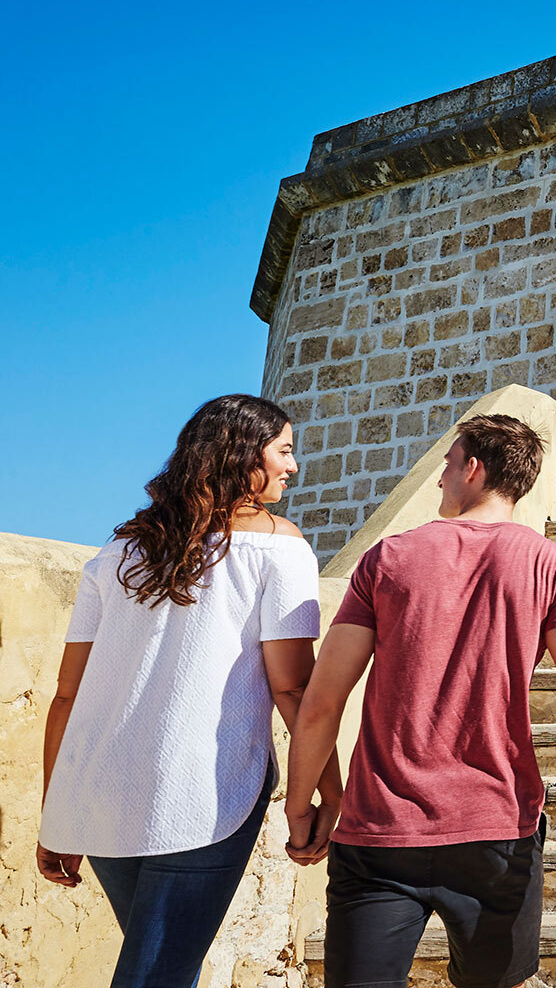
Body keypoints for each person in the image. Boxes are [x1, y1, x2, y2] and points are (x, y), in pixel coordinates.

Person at [284, 413, 556, 988]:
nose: (439, 478)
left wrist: (303, 808)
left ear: (473, 468)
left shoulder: (386, 559)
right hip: (498, 829)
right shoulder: (553, 565)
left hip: (380, 831)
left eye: (446, 464)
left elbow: (320, 703)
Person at [38, 394, 334, 988]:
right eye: (284, 451)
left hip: (102, 788)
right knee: (159, 973)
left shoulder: (117, 554)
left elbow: (68, 696)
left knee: (164, 964)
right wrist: (323, 794)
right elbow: (294, 687)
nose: (293, 467)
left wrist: (59, 813)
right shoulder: (280, 549)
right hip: (207, 792)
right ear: (243, 456)